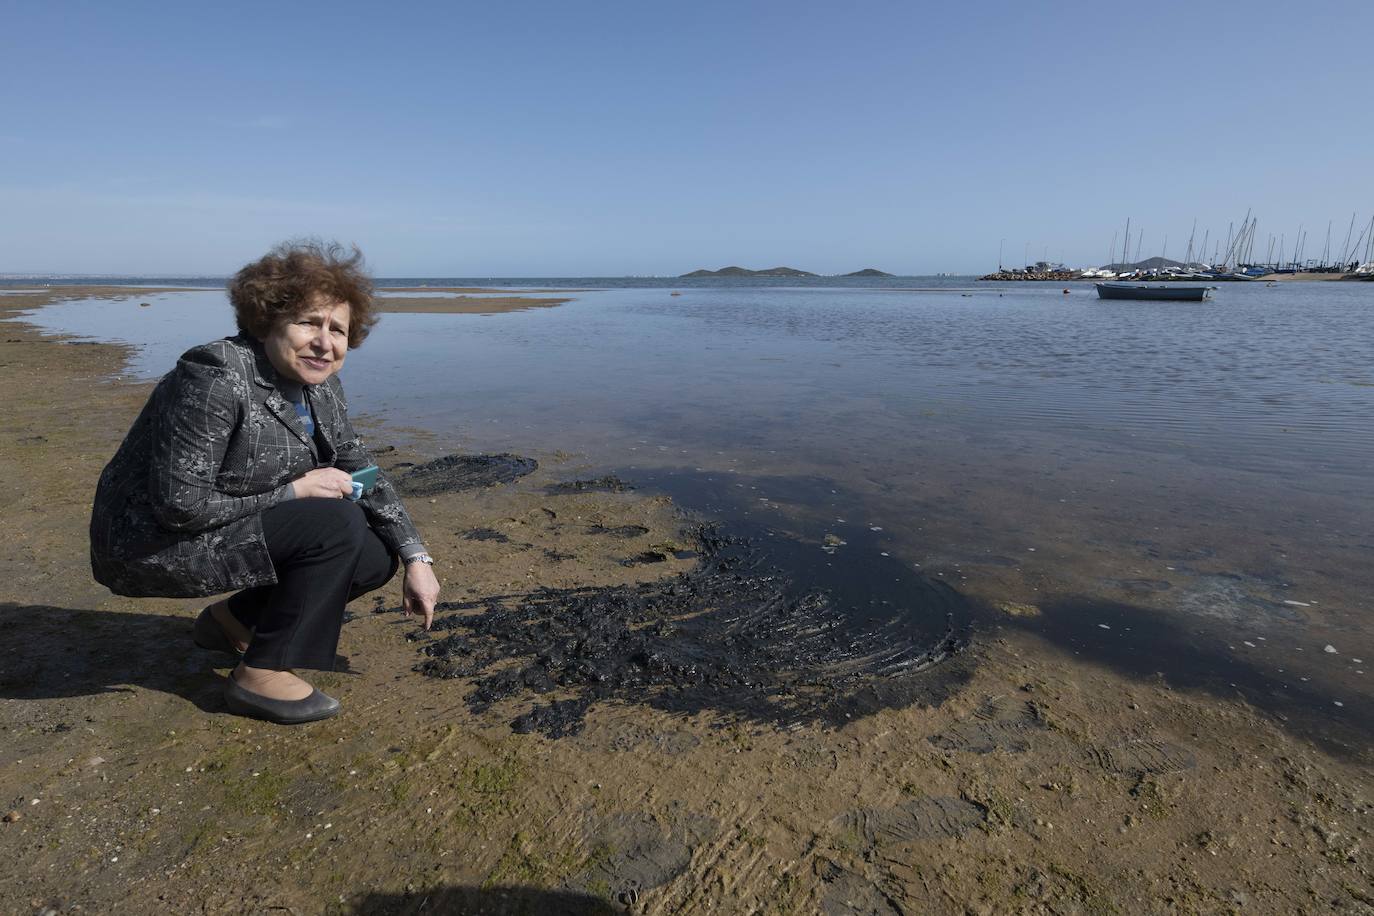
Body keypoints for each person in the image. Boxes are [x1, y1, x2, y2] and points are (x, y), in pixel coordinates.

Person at [90, 240, 440, 724]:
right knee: (335, 522)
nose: (325, 342)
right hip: (152, 541)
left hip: (226, 525)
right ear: (266, 319)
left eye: (337, 330)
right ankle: (260, 674)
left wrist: (416, 558)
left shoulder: (321, 387)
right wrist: (297, 490)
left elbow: (361, 468)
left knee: (375, 551)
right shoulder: (214, 375)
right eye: (308, 322)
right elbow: (179, 505)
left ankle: (233, 621)